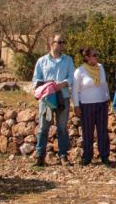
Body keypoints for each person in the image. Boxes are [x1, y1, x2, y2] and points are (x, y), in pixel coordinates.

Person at [32, 34, 76, 167]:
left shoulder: (68, 60)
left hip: (63, 97)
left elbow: (72, 78)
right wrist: (48, 85)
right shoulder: (41, 61)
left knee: (62, 128)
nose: (62, 44)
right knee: (43, 127)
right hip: (46, 99)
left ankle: (63, 156)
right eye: (59, 42)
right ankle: (40, 157)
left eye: (63, 42)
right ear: (51, 43)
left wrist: (60, 85)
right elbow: (35, 80)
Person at [72, 47, 110, 166]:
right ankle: (87, 156)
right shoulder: (80, 71)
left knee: (102, 131)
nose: (97, 56)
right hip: (86, 105)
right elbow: (75, 90)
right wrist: (76, 106)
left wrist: (107, 98)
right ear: (87, 57)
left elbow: (104, 84)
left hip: (101, 103)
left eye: (97, 54)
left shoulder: (101, 68)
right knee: (87, 132)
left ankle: (104, 156)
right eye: (94, 55)